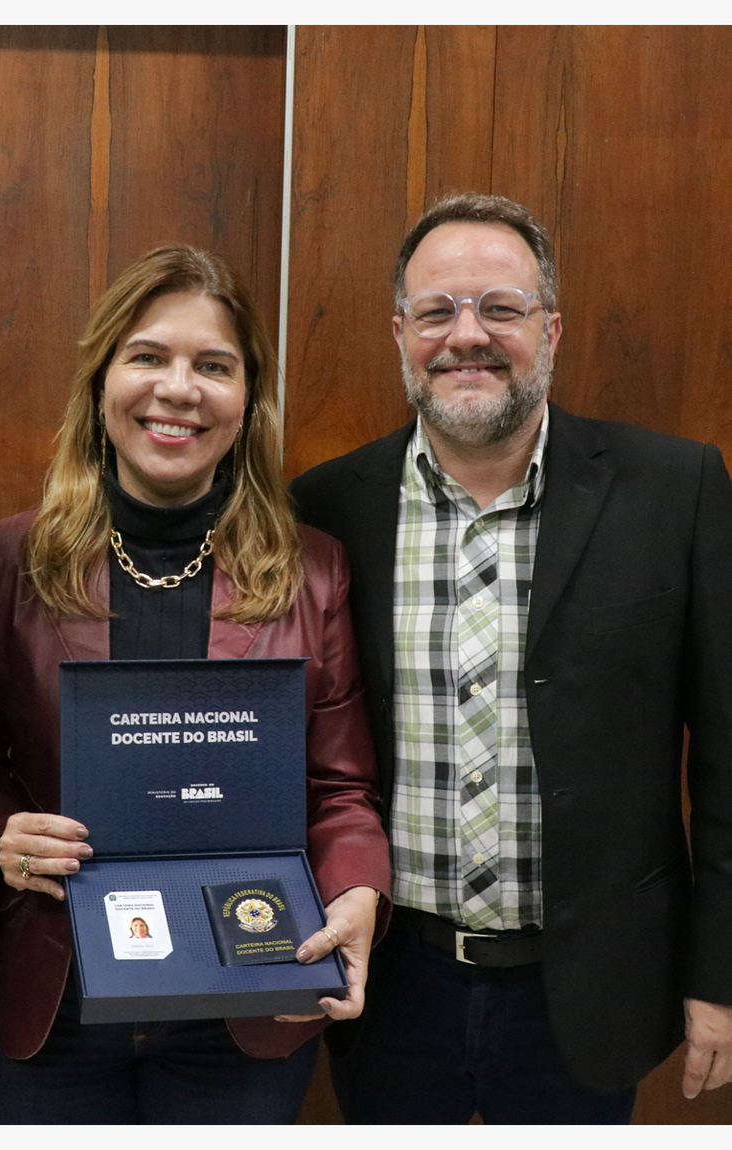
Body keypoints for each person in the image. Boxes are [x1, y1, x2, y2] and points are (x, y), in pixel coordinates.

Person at [291, 191, 732, 1123]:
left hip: (591, 990)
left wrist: (720, 973)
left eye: (501, 307)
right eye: (437, 311)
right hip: (388, 983)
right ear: (398, 331)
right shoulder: (326, 508)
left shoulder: (673, 490)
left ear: (553, 329)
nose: (468, 336)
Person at [0, 244, 390, 1124]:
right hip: (56, 998)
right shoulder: (7, 562)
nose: (178, 388)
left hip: (246, 999)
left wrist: (355, 890)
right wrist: (2, 832)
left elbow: (341, 787)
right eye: (147, 356)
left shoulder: (313, 572)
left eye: (213, 366)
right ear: (101, 382)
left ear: (247, 399)